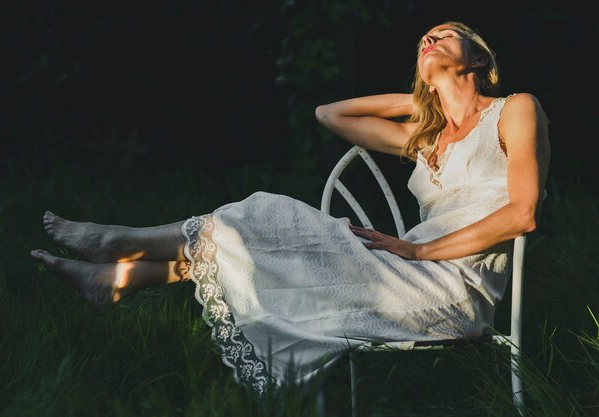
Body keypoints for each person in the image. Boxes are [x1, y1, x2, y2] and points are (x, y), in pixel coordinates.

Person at [30, 21, 550, 397]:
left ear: (478, 60)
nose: (429, 41)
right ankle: (114, 278)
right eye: (422, 41)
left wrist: (419, 250)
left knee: (268, 220)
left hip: (449, 289)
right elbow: (330, 114)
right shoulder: (424, 134)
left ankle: (118, 249)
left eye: (444, 34)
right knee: (266, 234)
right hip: (401, 267)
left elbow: (522, 213)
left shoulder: (515, 110)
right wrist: (423, 99)